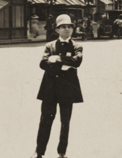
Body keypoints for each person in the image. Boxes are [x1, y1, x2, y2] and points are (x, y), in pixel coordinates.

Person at [31, 13, 83, 158]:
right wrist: (64, 64)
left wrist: (58, 59)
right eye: (63, 27)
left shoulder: (77, 46)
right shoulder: (50, 45)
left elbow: (77, 61)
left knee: (65, 121)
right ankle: (39, 151)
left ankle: (62, 152)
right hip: (50, 88)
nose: (67, 29)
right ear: (57, 29)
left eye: (69, 27)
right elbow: (43, 64)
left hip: (67, 89)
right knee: (45, 121)